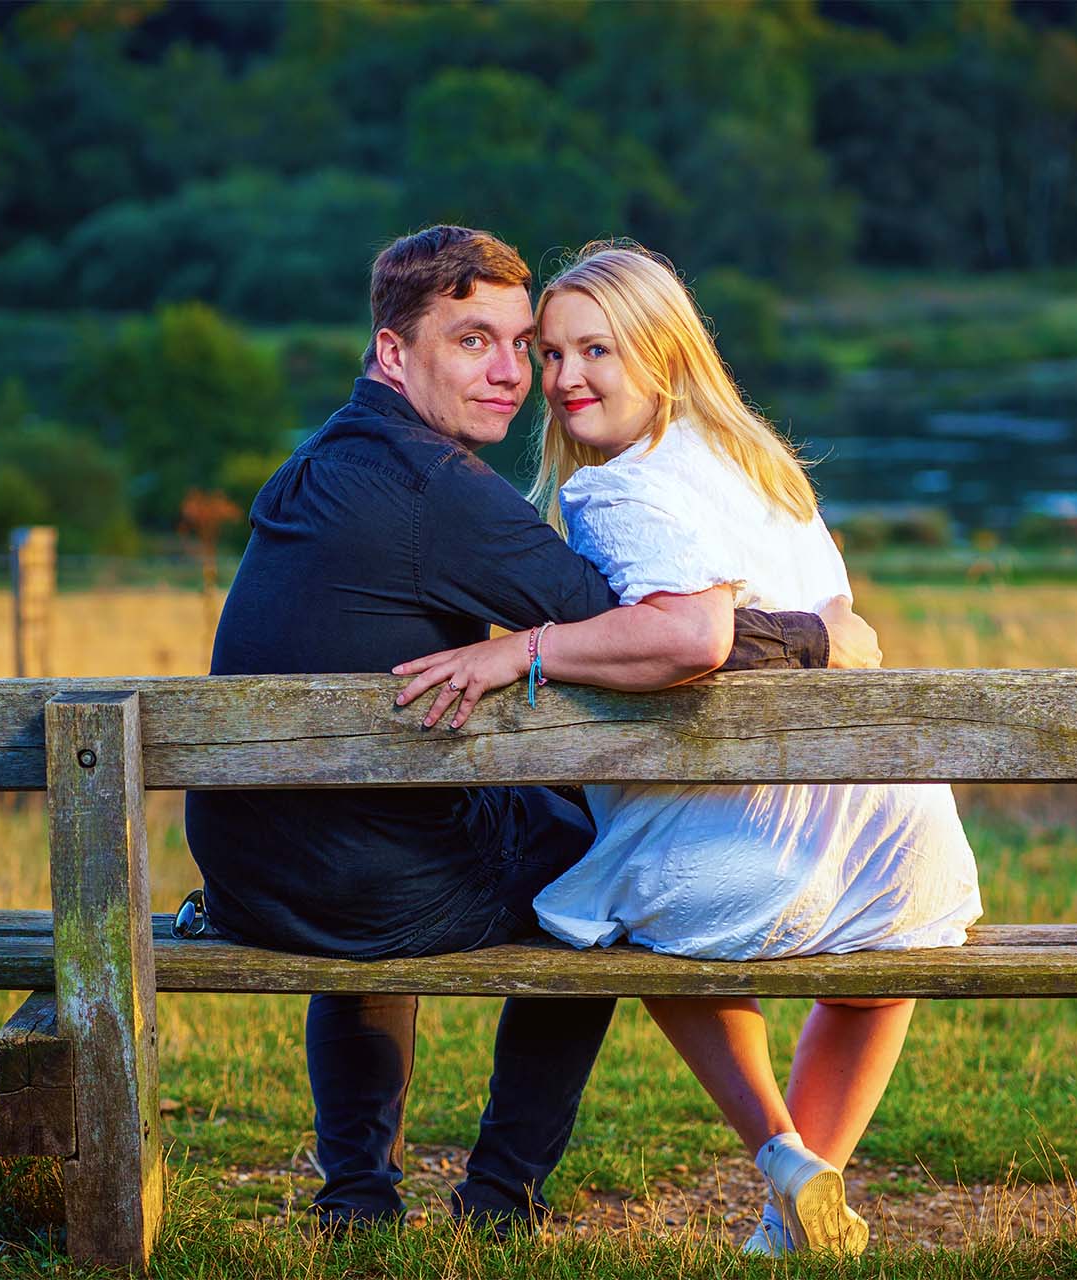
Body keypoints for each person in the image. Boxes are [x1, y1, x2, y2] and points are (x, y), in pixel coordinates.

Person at [184, 225, 883, 1234]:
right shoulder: (438, 489)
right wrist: (815, 636)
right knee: (599, 880)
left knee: (448, 821)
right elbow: (647, 629)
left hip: (251, 874)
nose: (515, 374)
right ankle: (500, 1198)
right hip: (364, 889)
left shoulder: (323, 461)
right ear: (393, 352)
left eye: (523, 345)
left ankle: (358, 1202)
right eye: (474, 341)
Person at [390, 242, 983, 1255]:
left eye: (597, 351)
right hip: (901, 836)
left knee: (614, 912)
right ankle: (794, 1216)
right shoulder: (762, 465)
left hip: (757, 844)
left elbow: (691, 637)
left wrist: (525, 649)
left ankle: (783, 1158)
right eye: (552, 353)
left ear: (663, 352)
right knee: (876, 980)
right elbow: (839, 624)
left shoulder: (616, 491)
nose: (564, 378)